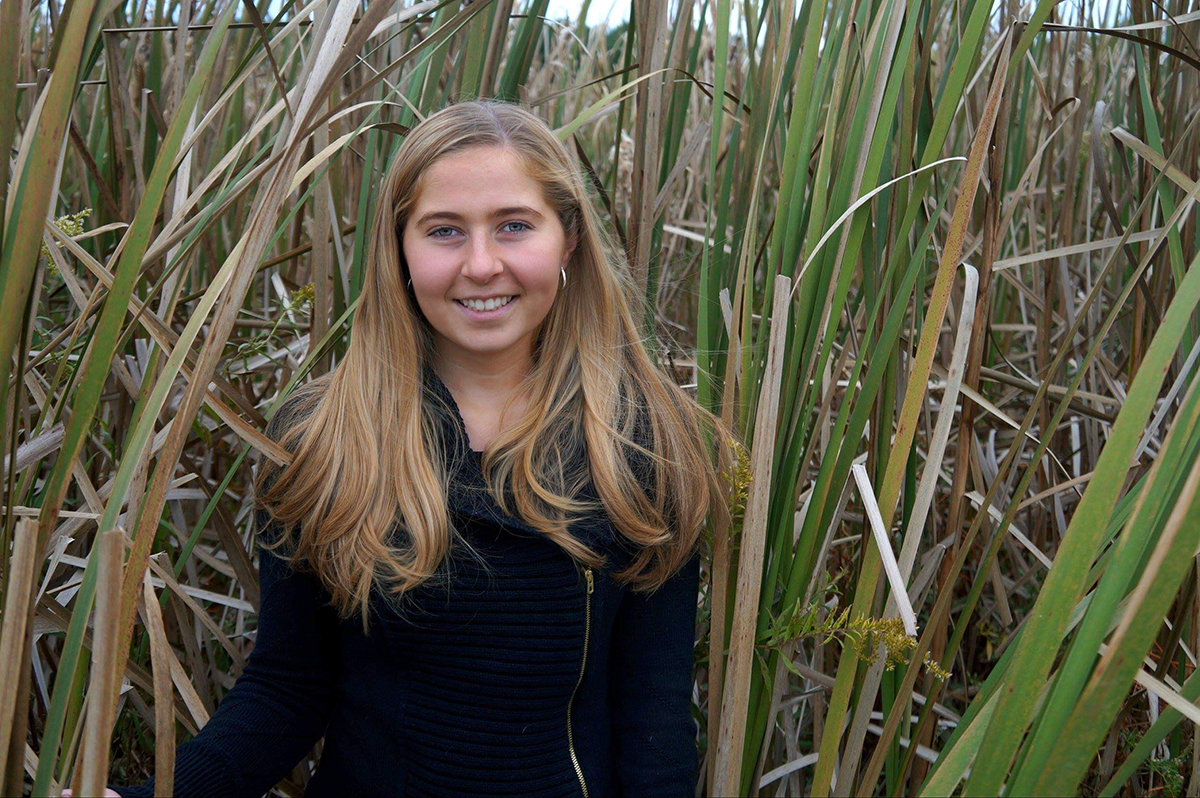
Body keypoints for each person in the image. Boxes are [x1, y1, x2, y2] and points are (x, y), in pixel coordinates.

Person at [82, 98, 735, 798]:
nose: (482, 266)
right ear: (399, 248)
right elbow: (285, 692)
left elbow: (655, 720)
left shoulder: (644, 440)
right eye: (444, 232)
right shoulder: (324, 435)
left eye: (514, 226)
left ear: (568, 237)